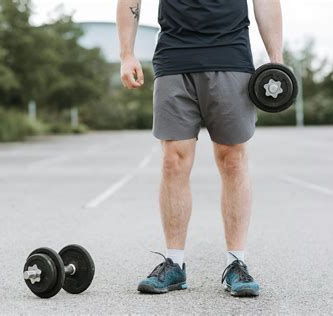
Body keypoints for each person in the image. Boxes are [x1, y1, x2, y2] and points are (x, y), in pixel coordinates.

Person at [116, 0, 283, 297]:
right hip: (175, 56)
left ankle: (236, 263)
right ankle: (174, 264)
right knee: (173, 160)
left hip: (231, 54)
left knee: (232, 159)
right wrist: (126, 53)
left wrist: (276, 57)